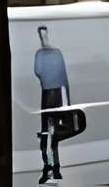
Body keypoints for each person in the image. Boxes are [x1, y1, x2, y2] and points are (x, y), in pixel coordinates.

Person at [33, 27, 72, 183]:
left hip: (51, 93)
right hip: (53, 93)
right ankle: (51, 167)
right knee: (49, 133)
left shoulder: (45, 54)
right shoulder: (53, 54)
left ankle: (52, 167)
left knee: (50, 133)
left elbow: (38, 71)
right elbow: (41, 72)